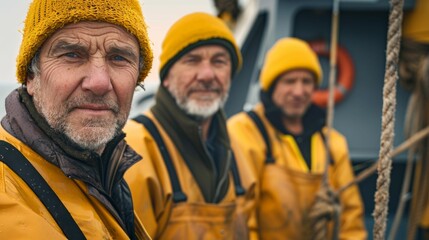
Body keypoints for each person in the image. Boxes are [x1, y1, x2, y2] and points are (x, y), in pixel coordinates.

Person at [0, 0, 153, 239]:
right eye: (72, 54)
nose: (100, 82)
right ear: (31, 76)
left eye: (119, 58)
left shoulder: (105, 169)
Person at [124, 12, 258, 239]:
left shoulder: (238, 149)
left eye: (219, 62)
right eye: (192, 60)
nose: (207, 75)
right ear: (166, 77)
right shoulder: (134, 148)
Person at [228, 37, 367, 239]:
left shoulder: (333, 142)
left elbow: (351, 218)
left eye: (307, 81)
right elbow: (242, 217)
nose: (299, 91)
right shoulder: (243, 132)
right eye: (289, 81)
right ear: (271, 86)